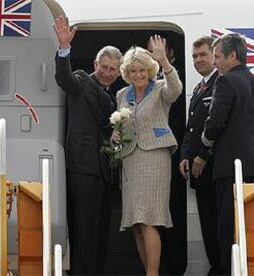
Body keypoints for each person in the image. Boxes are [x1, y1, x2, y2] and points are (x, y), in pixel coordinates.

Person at [53, 15, 122, 275]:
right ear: (96, 64)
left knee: (101, 231)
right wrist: (64, 48)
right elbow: (64, 79)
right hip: (82, 168)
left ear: (119, 71)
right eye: (103, 66)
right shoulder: (82, 80)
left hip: (103, 171)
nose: (107, 72)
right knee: (84, 231)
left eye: (113, 69)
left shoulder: (115, 97)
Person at [202, 33, 254, 275]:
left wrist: (204, 145)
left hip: (232, 172)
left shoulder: (225, 82)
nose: (215, 63)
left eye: (218, 57)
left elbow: (214, 125)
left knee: (229, 232)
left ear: (232, 56)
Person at [112, 35, 182, 276]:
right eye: (133, 71)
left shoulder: (161, 87)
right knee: (136, 223)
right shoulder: (122, 95)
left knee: (149, 218)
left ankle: (153, 273)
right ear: (127, 73)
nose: (138, 75)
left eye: (142, 70)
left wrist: (165, 62)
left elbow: (176, 91)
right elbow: (121, 126)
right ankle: (148, 272)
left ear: (149, 70)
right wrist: (115, 136)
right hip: (131, 160)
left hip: (154, 158)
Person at [179, 36, 220, 275]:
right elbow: (191, 128)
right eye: (194, 56)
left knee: (216, 227)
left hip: (213, 169)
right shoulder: (199, 88)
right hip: (199, 172)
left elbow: (216, 127)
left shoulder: (220, 84)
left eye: (203, 54)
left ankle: (220, 269)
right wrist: (185, 154)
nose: (198, 60)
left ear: (215, 56)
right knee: (207, 226)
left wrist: (203, 155)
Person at [147, 33, 187, 275]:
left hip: (172, 156)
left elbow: (177, 107)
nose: (154, 56)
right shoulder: (142, 81)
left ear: (170, 52)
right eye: (150, 52)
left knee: (173, 213)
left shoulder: (176, 74)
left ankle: (174, 266)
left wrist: (164, 63)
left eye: (159, 51)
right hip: (150, 160)